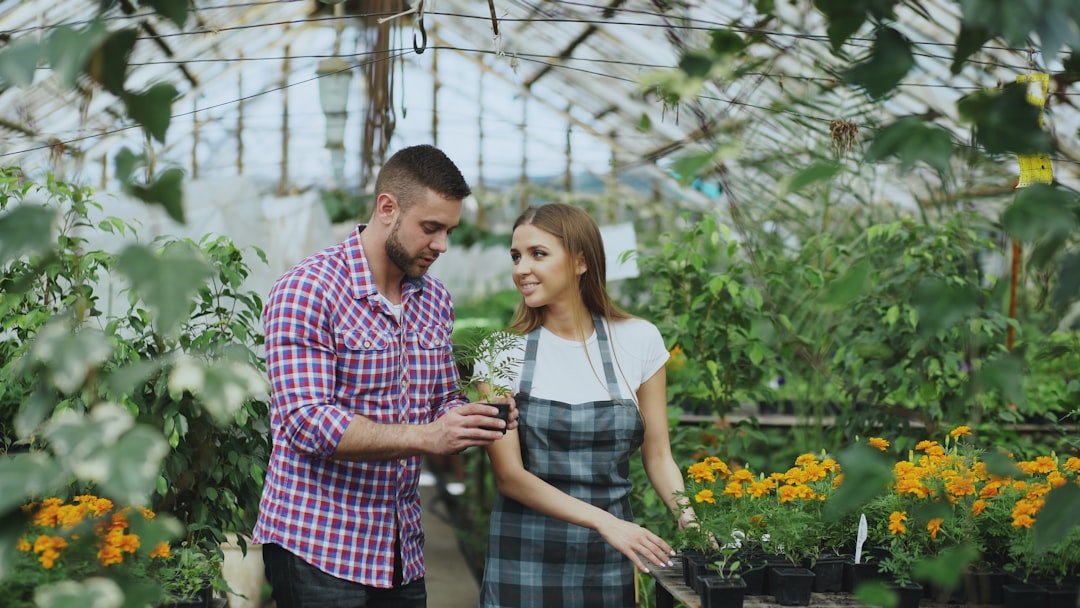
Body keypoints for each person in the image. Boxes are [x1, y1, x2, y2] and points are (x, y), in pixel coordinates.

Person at [253, 144, 515, 608]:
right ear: (387, 208)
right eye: (430, 228)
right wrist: (428, 437)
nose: (442, 245)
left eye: (449, 230)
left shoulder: (434, 298)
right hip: (318, 543)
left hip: (399, 546)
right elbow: (306, 422)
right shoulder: (308, 290)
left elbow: (437, 401)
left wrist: (468, 417)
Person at [478, 203, 694, 608]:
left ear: (580, 261)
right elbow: (509, 476)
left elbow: (660, 454)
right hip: (524, 557)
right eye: (516, 256)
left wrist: (690, 519)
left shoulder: (638, 340)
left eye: (538, 254)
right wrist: (607, 522)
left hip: (608, 560)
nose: (521, 268)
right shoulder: (502, 353)